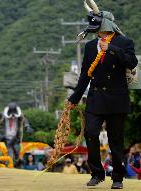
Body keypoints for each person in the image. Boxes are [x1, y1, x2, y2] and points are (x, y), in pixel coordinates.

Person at [67, 0, 138, 189]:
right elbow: (85, 75)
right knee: (90, 133)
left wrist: (112, 50)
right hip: (96, 98)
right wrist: (73, 98)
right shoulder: (91, 46)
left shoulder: (124, 42)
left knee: (116, 140)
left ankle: (117, 178)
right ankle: (97, 173)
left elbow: (132, 62)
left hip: (117, 99)